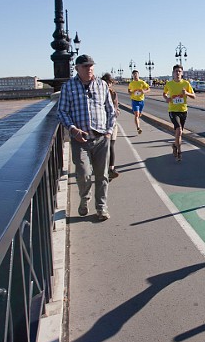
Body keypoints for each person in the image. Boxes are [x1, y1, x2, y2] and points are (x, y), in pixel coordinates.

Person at [58, 55, 116, 221]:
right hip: (80, 139)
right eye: (85, 66)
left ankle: (101, 207)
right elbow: (62, 111)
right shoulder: (68, 87)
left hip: (101, 138)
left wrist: (108, 131)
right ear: (77, 68)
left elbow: (110, 110)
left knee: (102, 175)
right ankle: (85, 198)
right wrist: (73, 129)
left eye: (91, 65)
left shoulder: (102, 85)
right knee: (83, 174)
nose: (89, 68)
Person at [163, 64, 196, 162]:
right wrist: (167, 98)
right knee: (179, 130)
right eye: (176, 71)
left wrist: (187, 94)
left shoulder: (186, 83)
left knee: (179, 133)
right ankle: (179, 152)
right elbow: (164, 93)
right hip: (173, 110)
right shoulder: (169, 84)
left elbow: (194, 96)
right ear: (173, 73)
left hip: (183, 111)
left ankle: (174, 145)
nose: (177, 73)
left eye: (179, 71)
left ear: (182, 73)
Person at [102, 73, 121, 178]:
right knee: (105, 147)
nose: (108, 85)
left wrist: (117, 110)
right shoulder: (98, 93)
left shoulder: (113, 93)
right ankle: (104, 168)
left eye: (110, 83)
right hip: (102, 124)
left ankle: (111, 168)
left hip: (112, 123)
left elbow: (115, 105)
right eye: (107, 82)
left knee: (111, 146)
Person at [127, 70, 151, 134]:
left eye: (136, 74)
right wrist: (131, 92)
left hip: (141, 101)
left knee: (139, 114)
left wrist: (144, 92)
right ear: (132, 75)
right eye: (134, 74)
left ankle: (140, 113)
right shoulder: (131, 83)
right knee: (136, 115)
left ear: (138, 75)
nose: (135, 75)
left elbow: (149, 89)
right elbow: (129, 91)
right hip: (134, 101)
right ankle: (138, 128)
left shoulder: (142, 82)